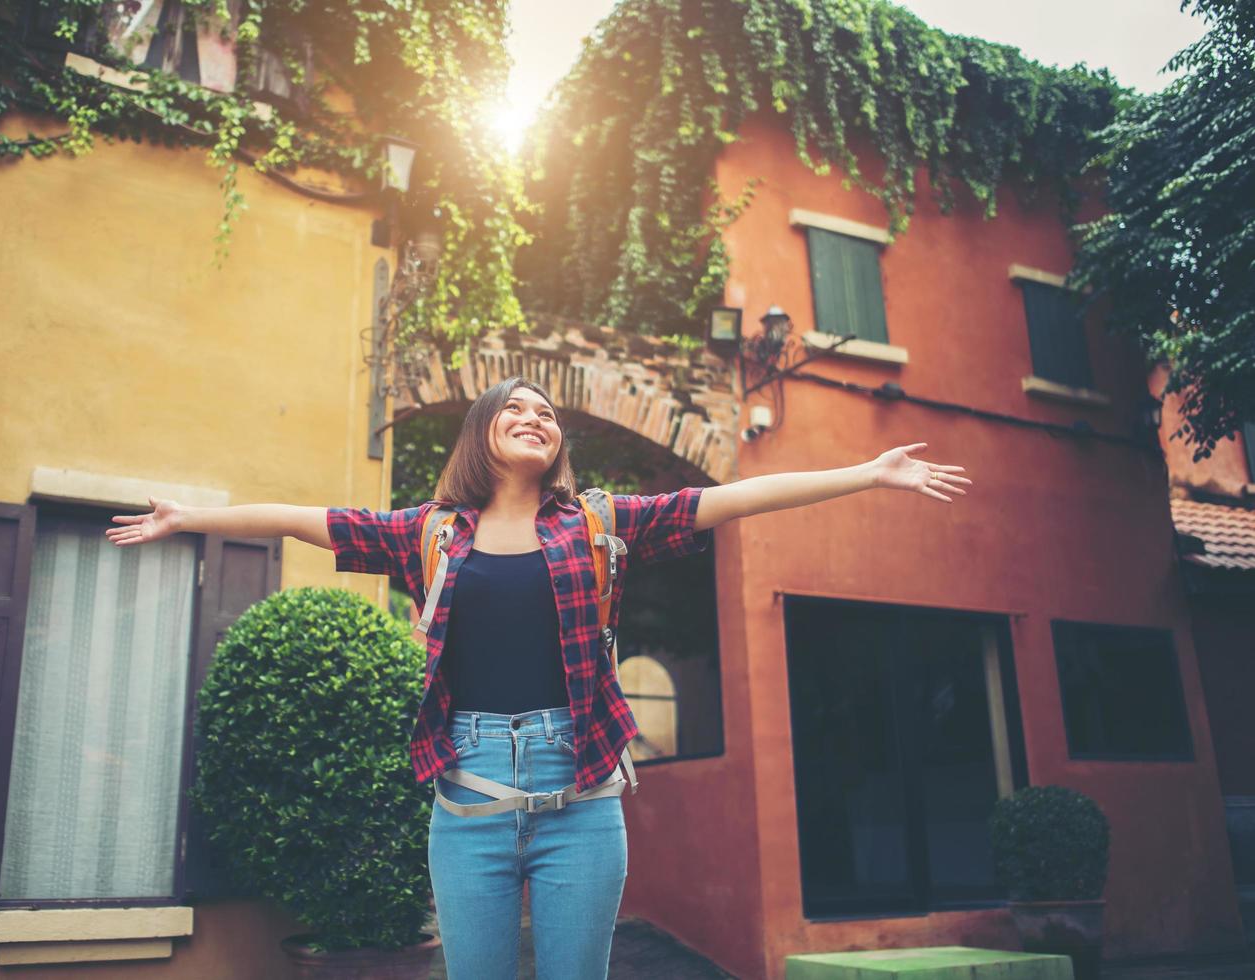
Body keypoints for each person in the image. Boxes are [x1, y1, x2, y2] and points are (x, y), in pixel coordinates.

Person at [104, 375, 971, 979]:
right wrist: (193, 517)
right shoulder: (430, 531)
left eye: (545, 411)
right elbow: (312, 520)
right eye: (512, 408)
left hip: (580, 800)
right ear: (480, 435)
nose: (532, 415)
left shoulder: (597, 523)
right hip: (467, 803)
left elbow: (730, 499)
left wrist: (868, 472)